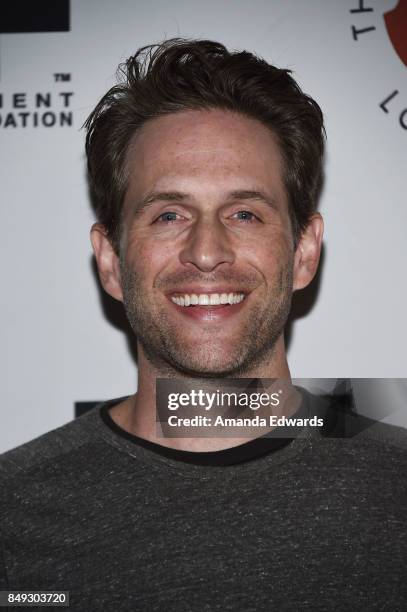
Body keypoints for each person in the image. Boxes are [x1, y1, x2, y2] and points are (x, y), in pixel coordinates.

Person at [0, 38, 406, 611]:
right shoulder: (13, 515)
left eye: (244, 213)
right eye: (169, 214)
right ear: (111, 261)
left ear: (304, 252)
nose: (207, 251)